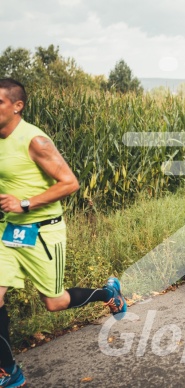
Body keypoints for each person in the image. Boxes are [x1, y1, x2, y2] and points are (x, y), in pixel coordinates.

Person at [0, 78, 126, 387]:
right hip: (8, 231)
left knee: (54, 302)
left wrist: (25, 203)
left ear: (18, 106)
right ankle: (8, 371)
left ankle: (109, 294)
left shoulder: (35, 141)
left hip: (42, 232)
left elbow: (70, 183)